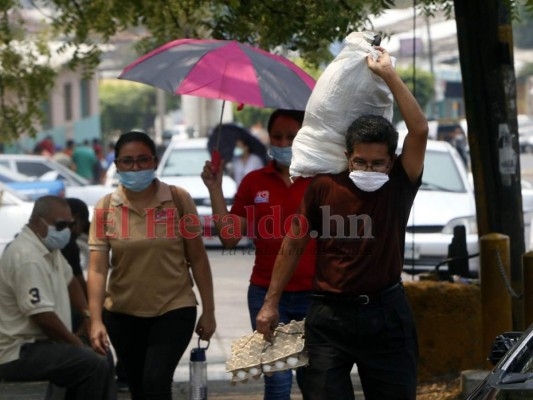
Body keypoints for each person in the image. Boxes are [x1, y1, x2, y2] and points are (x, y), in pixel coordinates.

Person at [256, 47, 429, 400]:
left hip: (386, 316)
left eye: (377, 163)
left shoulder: (399, 184)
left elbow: (420, 130)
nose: (368, 170)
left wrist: (389, 75)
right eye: (360, 162)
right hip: (328, 318)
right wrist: (271, 302)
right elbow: (293, 243)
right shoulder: (324, 187)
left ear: (391, 162)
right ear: (348, 157)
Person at [87, 131, 216, 400]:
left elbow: (199, 259)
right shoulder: (106, 207)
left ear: (155, 162)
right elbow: (98, 269)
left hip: (174, 308)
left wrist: (209, 311)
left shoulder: (178, 199)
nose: (136, 167)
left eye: (143, 160)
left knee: (156, 382)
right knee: (137, 387)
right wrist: (96, 320)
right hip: (123, 314)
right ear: (117, 165)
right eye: (128, 161)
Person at [201, 109, 316, 400]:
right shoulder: (254, 181)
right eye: (277, 136)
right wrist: (215, 189)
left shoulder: (320, 180)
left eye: (292, 136)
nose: (283, 142)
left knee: (314, 378)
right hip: (266, 295)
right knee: (277, 380)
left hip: (315, 295)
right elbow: (229, 237)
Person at [0, 196, 117, 400]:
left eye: (70, 224)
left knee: (102, 353)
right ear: (38, 221)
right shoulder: (27, 257)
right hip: (19, 351)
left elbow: (70, 280)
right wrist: (77, 345)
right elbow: (43, 317)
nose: (66, 230)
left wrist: (88, 317)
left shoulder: (47, 248)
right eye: (61, 225)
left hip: (42, 344)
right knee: (91, 363)